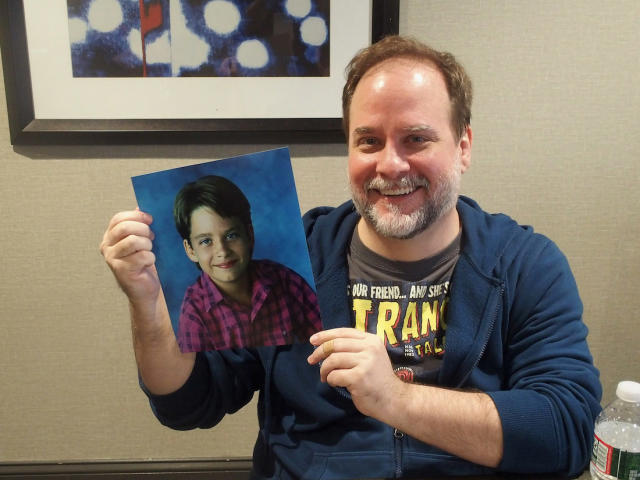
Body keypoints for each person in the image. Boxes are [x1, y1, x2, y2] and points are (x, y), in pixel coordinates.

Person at [100, 35, 602, 479]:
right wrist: (147, 305)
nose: (390, 164)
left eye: (417, 139)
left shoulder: (525, 264)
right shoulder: (291, 258)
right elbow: (190, 403)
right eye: (368, 140)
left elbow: (566, 431)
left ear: (463, 145)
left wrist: (395, 400)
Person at [172, 175, 322, 351]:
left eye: (231, 235)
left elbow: (326, 341)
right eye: (206, 241)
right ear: (190, 250)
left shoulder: (285, 281)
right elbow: (202, 377)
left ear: (249, 233)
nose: (222, 251)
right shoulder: (194, 315)